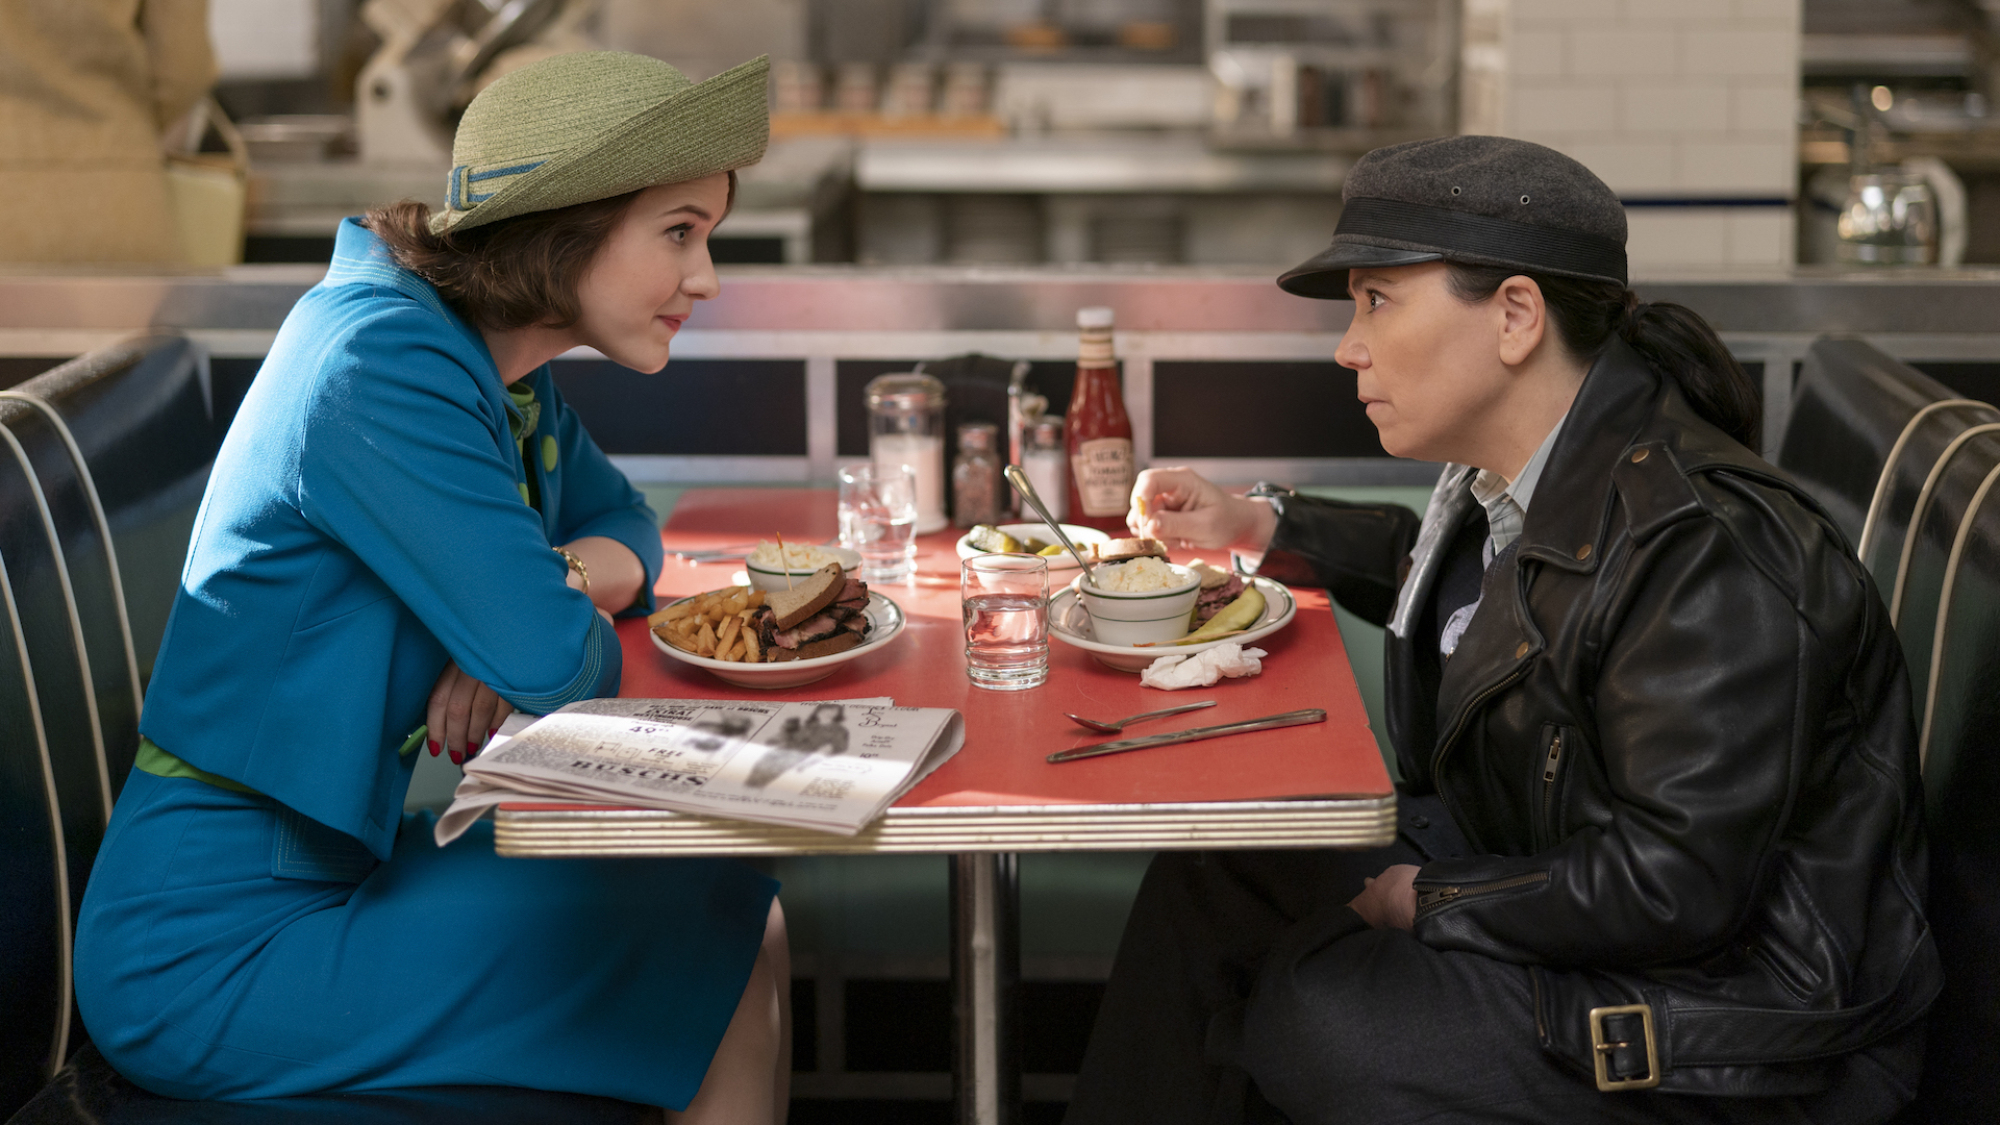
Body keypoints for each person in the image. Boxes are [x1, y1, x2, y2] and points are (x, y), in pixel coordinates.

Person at [1065, 136, 1939, 1125]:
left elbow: (1674, 887)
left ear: (1515, 316)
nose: (1348, 346)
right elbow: (1488, 606)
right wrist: (1259, 527)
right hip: (1570, 878)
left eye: (1376, 300)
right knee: (1222, 864)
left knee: (1331, 1015)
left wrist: (1423, 899)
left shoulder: (1708, 549)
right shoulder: (1527, 473)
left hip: (1746, 1022)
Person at [73, 52, 791, 1122]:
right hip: (214, 946)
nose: (706, 279)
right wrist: (520, 615)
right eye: (678, 232)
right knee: (725, 924)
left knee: (737, 907)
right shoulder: (383, 369)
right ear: (566, 226)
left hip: (323, 878)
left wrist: (533, 585)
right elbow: (556, 661)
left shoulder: (491, 366)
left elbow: (626, 527)